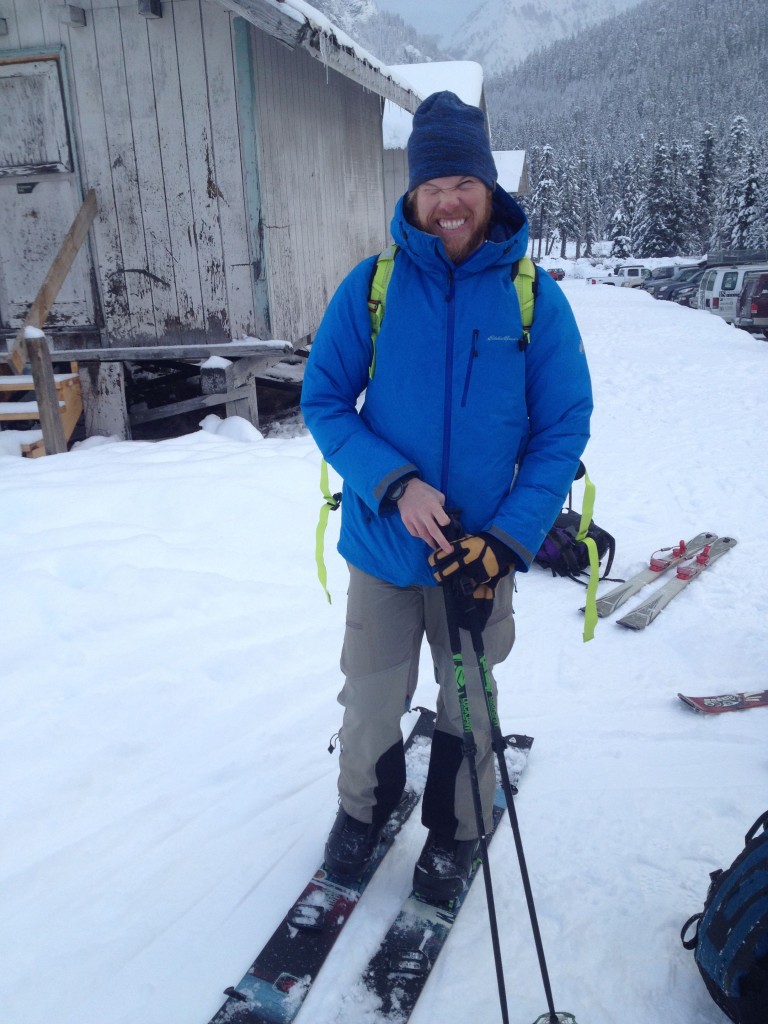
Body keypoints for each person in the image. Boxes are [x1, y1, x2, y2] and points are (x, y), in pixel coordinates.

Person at [301, 91, 592, 901]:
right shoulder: (374, 287)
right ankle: (361, 815)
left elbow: (562, 428)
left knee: (468, 698)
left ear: (489, 188)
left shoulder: (534, 296)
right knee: (368, 699)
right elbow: (323, 399)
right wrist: (393, 484)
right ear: (413, 195)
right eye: (433, 185)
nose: (449, 200)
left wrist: (506, 541)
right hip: (386, 550)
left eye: (464, 180)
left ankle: (457, 830)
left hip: (480, 555)